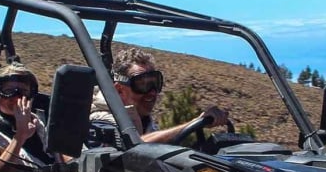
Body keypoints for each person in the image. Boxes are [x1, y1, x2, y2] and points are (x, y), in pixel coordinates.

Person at [90, 49, 230, 144]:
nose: (151, 92)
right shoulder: (101, 119)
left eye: (155, 83)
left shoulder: (144, 121)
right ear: (120, 90)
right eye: (142, 84)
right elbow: (134, 148)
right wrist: (192, 123)